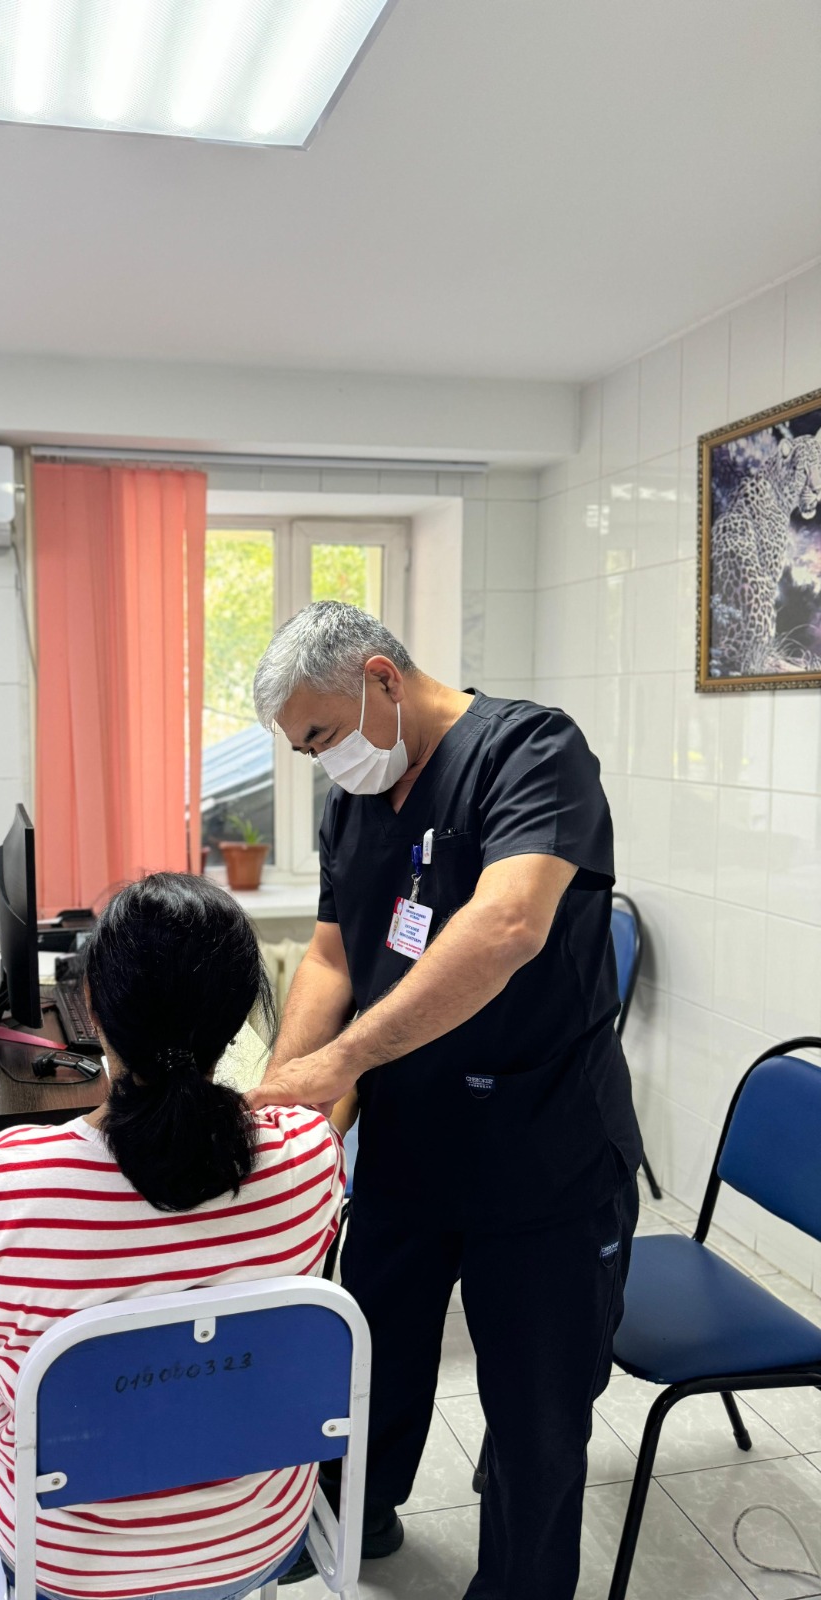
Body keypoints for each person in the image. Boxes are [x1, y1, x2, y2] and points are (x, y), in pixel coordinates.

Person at [247, 601, 641, 1600]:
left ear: (382, 677)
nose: (322, 761)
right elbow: (333, 957)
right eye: (303, 749)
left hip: (544, 1151)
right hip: (412, 1145)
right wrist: (284, 1098)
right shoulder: (354, 803)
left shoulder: (531, 751)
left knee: (533, 1418)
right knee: (370, 1364)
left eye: (322, 734)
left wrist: (341, 1063)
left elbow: (507, 926)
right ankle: (354, 1519)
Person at [0, 873, 346, 1600]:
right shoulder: (308, 1157)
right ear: (240, 1012)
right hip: (252, 1540)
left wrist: (88, 1381)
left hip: (66, 1563)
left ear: (93, 1008)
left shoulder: (7, 1180)